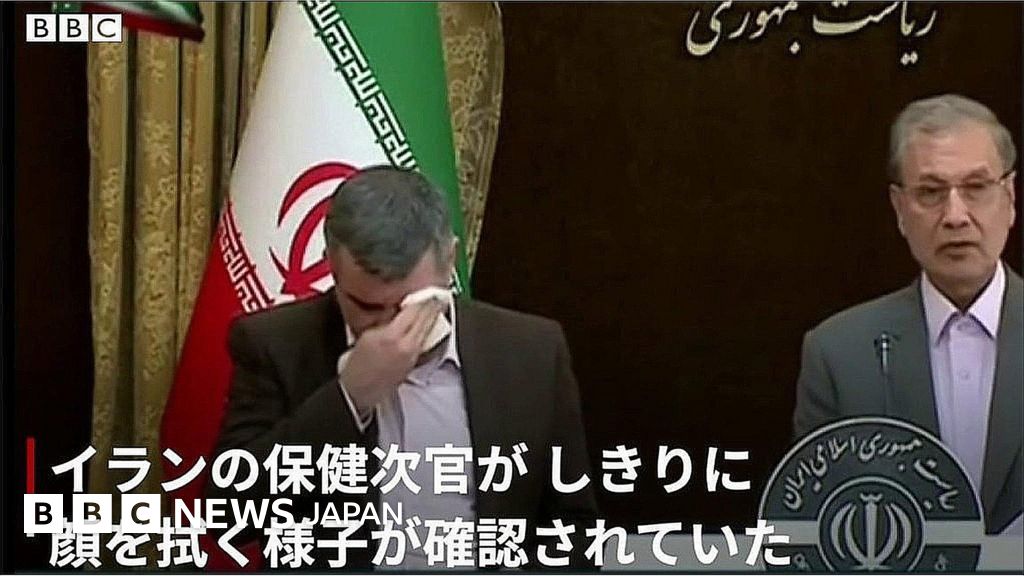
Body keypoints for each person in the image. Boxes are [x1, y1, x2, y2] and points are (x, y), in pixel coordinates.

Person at [208, 166, 598, 568]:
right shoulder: (276, 344)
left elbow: (575, 531)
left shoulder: (531, 351)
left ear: (449, 262)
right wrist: (348, 399)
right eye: (367, 307)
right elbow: (227, 515)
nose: (392, 328)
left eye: (413, 304)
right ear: (331, 269)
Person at [792, 94, 1021, 535]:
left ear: (1009, 198)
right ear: (899, 209)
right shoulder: (839, 354)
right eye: (931, 193)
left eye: (976, 187)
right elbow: (814, 519)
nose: (955, 216)